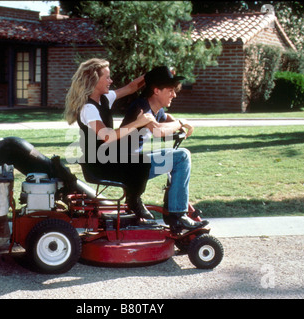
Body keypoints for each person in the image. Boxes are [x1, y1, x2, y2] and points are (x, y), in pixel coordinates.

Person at [64, 58, 157, 224]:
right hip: (98, 164)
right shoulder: (88, 108)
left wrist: (153, 75)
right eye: (107, 77)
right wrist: (138, 122)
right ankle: (134, 201)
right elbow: (106, 135)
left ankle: (133, 199)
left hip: (107, 157)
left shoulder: (105, 98)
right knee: (142, 162)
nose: (111, 81)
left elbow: (131, 87)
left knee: (140, 160)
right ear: (94, 81)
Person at [120, 66, 208, 231]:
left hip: (134, 163)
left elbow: (164, 118)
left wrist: (176, 123)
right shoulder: (142, 108)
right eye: (170, 90)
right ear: (156, 91)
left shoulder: (154, 108)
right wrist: (181, 122)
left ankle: (174, 213)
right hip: (127, 167)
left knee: (178, 157)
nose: (174, 95)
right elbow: (159, 130)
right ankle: (177, 215)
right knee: (182, 156)